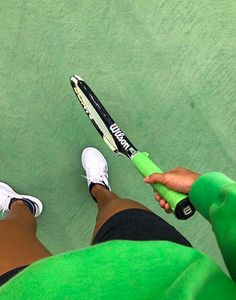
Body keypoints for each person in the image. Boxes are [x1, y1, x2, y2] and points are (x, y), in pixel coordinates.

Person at [0, 147, 235, 299]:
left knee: (5, 235)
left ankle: (19, 206)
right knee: (116, 208)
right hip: (157, 272)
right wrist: (202, 189)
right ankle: (98, 189)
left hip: (28, 292)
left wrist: (204, 187)